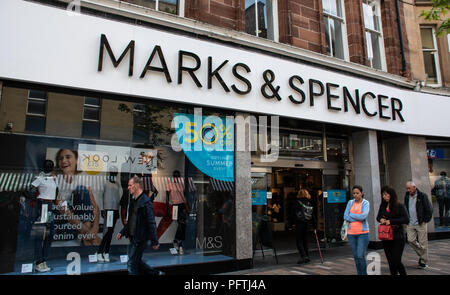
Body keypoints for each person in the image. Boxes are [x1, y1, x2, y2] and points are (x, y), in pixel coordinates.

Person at [116, 175, 163, 275]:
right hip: (133, 237)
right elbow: (131, 220)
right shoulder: (133, 201)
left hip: (140, 239)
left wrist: (155, 241)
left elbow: (151, 222)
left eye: (130, 185)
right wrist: (122, 231)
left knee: (131, 264)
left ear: (137, 186)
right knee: (136, 262)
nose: (128, 187)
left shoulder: (146, 202)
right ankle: (156, 273)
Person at [54, 148, 101, 246]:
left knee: (82, 189)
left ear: (76, 160)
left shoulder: (82, 180)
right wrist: (87, 232)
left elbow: (95, 206)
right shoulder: (56, 180)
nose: (63, 161)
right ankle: (88, 239)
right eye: (60, 158)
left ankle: (87, 236)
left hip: (80, 225)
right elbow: (62, 209)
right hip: (63, 226)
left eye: (68, 157)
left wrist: (95, 229)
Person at [30, 159, 58, 273]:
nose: (49, 167)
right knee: (40, 234)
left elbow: (56, 192)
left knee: (50, 233)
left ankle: (43, 259)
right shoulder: (39, 178)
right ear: (44, 166)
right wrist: (36, 200)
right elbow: (30, 190)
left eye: (51, 166)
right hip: (42, 206)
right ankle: (38, 261)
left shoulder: (54, 178)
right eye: (47, 166)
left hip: (50, 207)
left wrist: (56, 202)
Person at [376, 186, 409, 275]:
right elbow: (378, 217)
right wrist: (381, 220)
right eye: (383, 194)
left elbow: (406, 219)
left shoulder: (400, 206)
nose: (384, 196)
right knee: (390, 261)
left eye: (386, 194)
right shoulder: (382, 206)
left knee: (396, 260)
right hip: (386, 236)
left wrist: (391, 221)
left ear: (391, 195)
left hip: (398, 236)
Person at [96, 168, 122, 262]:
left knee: (111, 232)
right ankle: (99, 252)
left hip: (114, 209)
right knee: (107, 232)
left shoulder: (117, 184)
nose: (114, 174)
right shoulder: (105, 183)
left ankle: (106, 252)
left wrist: (118, 210)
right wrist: (102, 209)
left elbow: (117, 197)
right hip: (108, 209)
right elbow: (100, 196)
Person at [404, 181, 433, 268]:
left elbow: (429, 209)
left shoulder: (422, 196)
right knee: (410, 240)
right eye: (407, 188)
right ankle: (423, 254)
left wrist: (425, 220)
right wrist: (406, 220)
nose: (408, 190)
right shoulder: (407, 196)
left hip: (421, 222)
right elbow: (405, 208)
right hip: (410, 223)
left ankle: (423, 261)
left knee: (423, 243)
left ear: (414, 187)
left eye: (409, 188)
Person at [344, 185, 370, 275]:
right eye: (354, 193)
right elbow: (345, 216)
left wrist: (351, 215)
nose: (355, 195)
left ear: (362, 193)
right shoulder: (350, 203)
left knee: (360, 255)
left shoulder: (365, 203)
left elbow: (363, 216)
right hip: (351, 234)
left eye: (357, 193)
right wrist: (356, 217)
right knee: (355, 256)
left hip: (363, 233)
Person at [166, 170, 190, 255]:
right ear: (173, 176)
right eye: (175, 176)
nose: (176, 177)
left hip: (182, 205)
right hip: (175, 205)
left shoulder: (181, 185)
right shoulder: (169, 185)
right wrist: (167, 207)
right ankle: (178, 243)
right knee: (180, 223)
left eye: (178, 176)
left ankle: (178, 242)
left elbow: (184, 196)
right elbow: (167, 196)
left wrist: (187, 206)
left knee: (183, 224)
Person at [290, 190, 316, 264]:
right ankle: (307, 256)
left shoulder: (296, 203)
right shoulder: (309, 203)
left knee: (299, 241)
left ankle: (303, 256)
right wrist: (314, 226)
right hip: (307, 224)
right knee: (305, 240)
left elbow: (292, 214)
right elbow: (313, 215)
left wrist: (291, 224)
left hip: (299, 224)